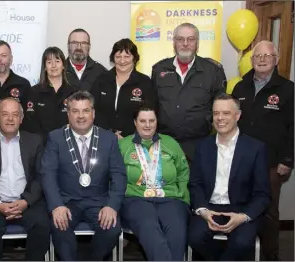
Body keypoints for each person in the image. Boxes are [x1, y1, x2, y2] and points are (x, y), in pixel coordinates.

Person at [41, 90, 127, 261]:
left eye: (86, 110)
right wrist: (57, 205)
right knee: (59, 227)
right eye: (75, 111)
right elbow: (47, 174)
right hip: (67, 202)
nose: (81, 116)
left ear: (93, 113)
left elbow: (119, 175)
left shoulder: (108, 138)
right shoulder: (55, 138)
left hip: (99, 202)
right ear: (68, 114)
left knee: (112, 229)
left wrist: (111, 206)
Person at [188, 94, 271, 261]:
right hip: (210, 208)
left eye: (226, 113)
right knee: (194, 238)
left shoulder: (256, 148)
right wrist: (203, 211)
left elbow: (263, 194)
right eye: (216, 113)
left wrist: (243, 216)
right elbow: (195, 184)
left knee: (242, 243)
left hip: (241, 209)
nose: (220, 118)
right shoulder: (203, 146)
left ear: (237, 116)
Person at [231, 40, 294, 261]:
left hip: (272, 162)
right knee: (240, 204)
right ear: (251, 60)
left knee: (268, 211)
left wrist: (288, 159)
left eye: (267, 56)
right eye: (258, 56)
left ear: (276, 60)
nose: (262, 59)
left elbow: (293, 128)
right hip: (242, 160)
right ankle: (244, 251)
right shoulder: (240, 87)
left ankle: (270, 255)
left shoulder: (288, 89)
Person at [0, 97, 50, 261]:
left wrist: (25, 202)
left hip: (27, 202)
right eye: (5, 114)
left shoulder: (35, 141)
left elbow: (41, 177)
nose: (10, 119)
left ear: (21, 119)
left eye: (15, 114)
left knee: (42, 225)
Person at [118, 104, 189, 261]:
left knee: (176, 231)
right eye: (143, 121)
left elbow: (183, 172)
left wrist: (183, 197)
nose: (148, 125)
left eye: (152, 120)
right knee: (149, 228)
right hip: (136, 199)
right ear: (135, 122)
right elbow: (114, 176)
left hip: (170, 198)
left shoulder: (170, 143)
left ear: (157, 122)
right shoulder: (123, 146)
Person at [151, 22, 227, 161]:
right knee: (166, 182)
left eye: (190, 39)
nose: (185, 43)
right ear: (174, 42)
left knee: (196, 183)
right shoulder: (159, 69)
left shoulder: (213, 70)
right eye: (180, 39)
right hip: (165, 144)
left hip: (200, 144)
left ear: (197, 43)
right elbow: (153, 105)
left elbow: (220, 106)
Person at [91, 38, 158, 139]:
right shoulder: (101, 80)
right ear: (113, 58)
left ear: (134, 58)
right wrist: (111, 133)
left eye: (127, 56)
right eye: (118, 56)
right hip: (103, 137)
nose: (122, 61)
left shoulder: (145, 82)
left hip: (134, 138)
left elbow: (150, 112)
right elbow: (92, 108)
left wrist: (124, 134)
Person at [24, 47, 77, 139]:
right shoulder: (34, 92)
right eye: (49, 62)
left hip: (68, 144)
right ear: (44, 67)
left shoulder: (73, 93)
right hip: (42, 145)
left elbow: (77, 120)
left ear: (63, 65)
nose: (53, 66)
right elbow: (30, 122)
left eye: (57, 61)